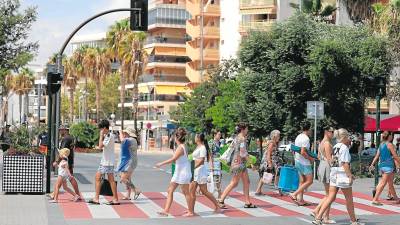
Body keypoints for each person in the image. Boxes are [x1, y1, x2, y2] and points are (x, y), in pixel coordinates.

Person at [312, 129, 364, 225]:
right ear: (344, 137)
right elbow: (344, 163)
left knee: (330, 197)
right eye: (348, 136)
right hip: (342, 174)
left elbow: (334, 160)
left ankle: (318, 218)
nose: (349, 138)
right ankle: (353, 221)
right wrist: (349, 175)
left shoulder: (335, 146)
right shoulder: (344, 148)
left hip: (334, 173)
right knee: (349, 199)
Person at [218, 123, 257, 209]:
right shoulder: (242, 139)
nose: (247, 131)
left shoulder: (236, 138)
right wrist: (251, 163)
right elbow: (243, 153)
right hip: (238, 163)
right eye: (247, 129)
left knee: (247, 182)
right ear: (243, 129)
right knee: (234, 183)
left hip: (239, 163)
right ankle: (220, 200)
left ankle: (247, 202)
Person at [155, 128, 192, 217]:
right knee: (170, 190)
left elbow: (173, 159)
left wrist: (161, 163)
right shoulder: (182, 146)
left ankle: (191, 211)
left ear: (176, 137)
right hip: (178, 172)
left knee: (186, 192)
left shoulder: (181, 147)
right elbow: (177, 160)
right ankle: (166, 211)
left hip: (183, 172)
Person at [188, 133, 221, 216]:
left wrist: (193, 167)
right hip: (196, 171)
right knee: (193, 191)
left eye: (195, 136)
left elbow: (202, 160)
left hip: (199, 171)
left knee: (203, 191)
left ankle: (217, 206)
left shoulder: (202, 148)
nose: (194, 138)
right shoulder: (198, 147)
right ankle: (191, 210)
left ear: (198, 138)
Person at [88, 119, 119, 205]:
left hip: (107, 162)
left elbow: (100, 146)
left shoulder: (109, 135)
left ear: (105, 128)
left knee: (107, 180)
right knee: (105, 179)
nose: (100, 130)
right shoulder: (109, 135)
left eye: (101, 129)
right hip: (106, 161)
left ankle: (112, 199)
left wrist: (101, 136)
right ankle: (98, 198)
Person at [311, 125, 335, 224]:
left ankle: (320, 213)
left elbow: (319, 156)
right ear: (326, 132)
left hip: (322, 166)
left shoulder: (321, 142)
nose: (333, 133)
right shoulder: (327, 143)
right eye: (331, 131)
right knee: (329, 195)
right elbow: (330, 159)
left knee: (328, 194)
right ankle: (324, 216)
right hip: (326, 167)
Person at [369, 131, 400, 205]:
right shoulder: (390, 145)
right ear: (389, 136)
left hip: (382, 166)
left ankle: (397, 199)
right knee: (383, 183)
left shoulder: (381, 144)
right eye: (391, 135)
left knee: (390, 183)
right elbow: (395, 156)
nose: (392, 137)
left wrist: (372, 164)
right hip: (389, 166)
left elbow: (377, 155)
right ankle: (375, 199)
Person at [289, 121, 314, 206]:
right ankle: (294, 194)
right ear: (309, 129)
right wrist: (310, 158)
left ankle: (301, 200)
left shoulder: (298, 136)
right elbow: (303, 152)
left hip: (297, 160)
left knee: (302, 180)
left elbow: (296, 149)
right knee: (310, 181)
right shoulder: (306, 138)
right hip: (304, 163)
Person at [116, 127, 141, 200]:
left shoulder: (131, 140)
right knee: (127, 179)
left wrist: (120, 132)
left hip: (130, 162)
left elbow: (122, 140)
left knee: (123, 178)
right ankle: (128, 195)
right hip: (127, 162)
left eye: (125, 132)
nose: (124, 133)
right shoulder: (129, 140)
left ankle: (136, 190)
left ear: (129, 133)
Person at [255, 130, 281, 195]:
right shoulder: (272, 143)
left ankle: (258, 190)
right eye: (278, 136)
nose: (279, 137)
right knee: (275, 175)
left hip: (271, 162)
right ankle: (280, 190)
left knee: (265, 176)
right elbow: (268, 153)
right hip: (269, 162)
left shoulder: (273, 142)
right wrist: (269, 163)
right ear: (274, 136)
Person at [209, 129, 223, 198]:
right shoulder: (211, 143)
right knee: (216, 178)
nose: (220, 136)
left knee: (219, 177)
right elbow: (210, 155)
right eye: (219, 134)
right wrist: (211, 165)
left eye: (220, 134)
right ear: (214, 135)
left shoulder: (220, 142)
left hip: (219, 162)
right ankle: (219, 193)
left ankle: (219, 192)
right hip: (214, 162)